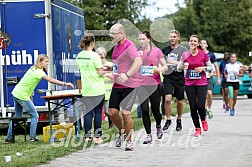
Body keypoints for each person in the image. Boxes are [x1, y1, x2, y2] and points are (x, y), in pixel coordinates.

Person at [5, 54, 74, 143]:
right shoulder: (39, 72)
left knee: (17, 117)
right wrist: (65, 84)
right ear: (40, 62)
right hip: (22, 95)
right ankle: (32, 138)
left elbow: (27, 82)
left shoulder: (32, 68)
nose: (47, 64)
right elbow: (50, 80)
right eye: (46, 62)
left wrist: (30, 95)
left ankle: (9, 138)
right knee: (34, 115)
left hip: (16, 92)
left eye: (48, 62)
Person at [108, 23, 142, 151]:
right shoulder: (116, 46)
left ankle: (129, 141)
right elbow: (120, 63)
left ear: (121, 34)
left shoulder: (130, 46)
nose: (110, 36)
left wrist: (127, 75)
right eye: (110, 33)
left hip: (129, 85)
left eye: (113, 34)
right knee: (112, 113)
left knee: (126, 114)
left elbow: (138, 61)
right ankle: (121, 132)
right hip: (117, 85)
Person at [177, 35, 213, 137]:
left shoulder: (203, 54)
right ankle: (197, 128)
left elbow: (211, 67)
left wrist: (204, 68)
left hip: (201, 83)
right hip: (189, 84)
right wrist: (182, 66)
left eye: (195, 41)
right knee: (193, 107)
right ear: (189, 42)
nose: (192, 42)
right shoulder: (185, 54)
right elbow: (179, 69)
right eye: (191, 41)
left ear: (198, 44)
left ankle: (203, 120)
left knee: (201, 106)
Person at [76, 33, 109, 144]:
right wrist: (107, 71)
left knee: (88, 113)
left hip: (86, 89)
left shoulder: (79, 55)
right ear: (92, 43)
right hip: (97, 88)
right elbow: (100, 72)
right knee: (98, 112)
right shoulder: (95, 55)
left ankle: (87, 136)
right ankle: (97, 137)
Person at [137, 30, 167, 144]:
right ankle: (148, 135)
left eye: (143, 39)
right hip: (141, 84)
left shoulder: (157, 51)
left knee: (156, 110)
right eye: (139, 39)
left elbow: (165, 66)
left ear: (149, 39)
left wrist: (161, 69)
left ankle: (158, 125)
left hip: (154, 84)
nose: (141, 41)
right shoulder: (137, 52)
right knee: (144, 109)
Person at [162, 30, 187, 131]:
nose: (172, 39)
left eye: (174, 37)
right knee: (167, 99)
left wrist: (175, 62)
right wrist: (163, 68)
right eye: (171, 37)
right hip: (168, 77)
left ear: (178, 38)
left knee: (180, 101)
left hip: (179, 78)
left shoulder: (183, 50)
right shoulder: (165, 50)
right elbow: (161, 62)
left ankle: (179, 119)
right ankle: (168, 120)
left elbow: (185, 64)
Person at [200, 39, 221, 119]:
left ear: (207, 45)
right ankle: (204, 109)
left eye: (204, 43)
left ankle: (209, 108)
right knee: (203, 95)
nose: (202, 44)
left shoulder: (211, 55)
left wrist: (218, 78)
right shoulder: (198, 53)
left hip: (209, 76)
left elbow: (216, 66)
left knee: (209, 93)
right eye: (201, 43)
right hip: (201, 77)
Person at [96, 47, 114, 129]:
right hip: (99, 90)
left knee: (108, 110)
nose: (100, 56)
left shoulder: (110, 65)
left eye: (101, 54)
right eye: (98, 54)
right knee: (99, 111)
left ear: (105, 54)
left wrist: (108, 74)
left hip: (109, 91)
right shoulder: (96, 65)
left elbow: (115, 76)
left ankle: (111, 124)